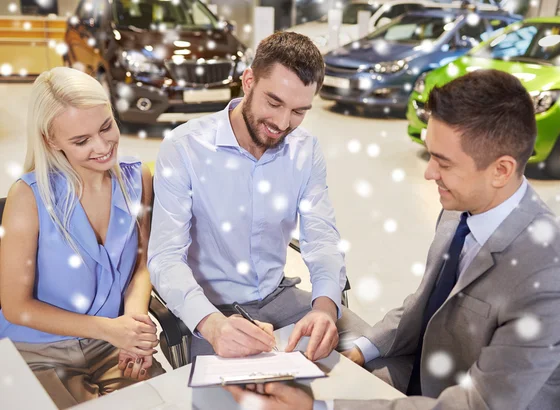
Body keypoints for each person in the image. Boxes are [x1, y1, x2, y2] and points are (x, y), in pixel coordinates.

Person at [224, 69, 560, 409]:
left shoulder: (554, 278)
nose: (430, 173)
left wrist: (319, 408)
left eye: (444, 162)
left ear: (501, 170)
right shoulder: (460, 206)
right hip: (421, 375)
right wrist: (363, 351)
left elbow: (478, 404)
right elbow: (427, 301)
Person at [148, 31, 369, 361]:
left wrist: (324, 308)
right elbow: (165, 258)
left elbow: (321, 238)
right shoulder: (185, 148)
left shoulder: (305, 150)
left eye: (299, 111)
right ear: (248, 81)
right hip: (216, 311)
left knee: (380, 353)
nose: (282, 123)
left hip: (280, 296)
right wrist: (211, 324)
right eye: (274, 102)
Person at [0, 67, 164, 409]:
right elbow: (16, 307)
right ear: (51, 140)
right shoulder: (27, 198)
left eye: (106, 127)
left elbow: (143, 260)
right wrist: (110, 330)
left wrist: (133, 327)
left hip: (111, 344)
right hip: (39, 351)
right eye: (81, 140)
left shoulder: (138, 177)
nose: (103, 147)